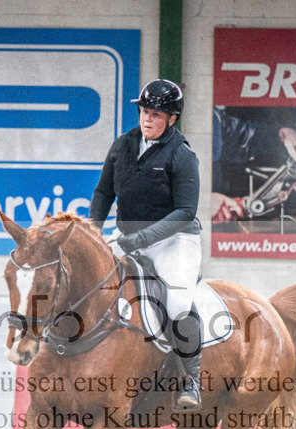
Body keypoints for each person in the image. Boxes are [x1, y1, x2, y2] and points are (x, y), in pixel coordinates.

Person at [89, 78, 203, 410]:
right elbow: (103, 192)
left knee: (178, 302)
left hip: (175, 240)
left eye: (155, 115)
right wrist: (94, 230)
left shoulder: (181, 154)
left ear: (172, 119)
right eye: (144, 112)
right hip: (129, 237)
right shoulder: (122, 145)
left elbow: (185, 211)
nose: (147, 120)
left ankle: (192, 379)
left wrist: (140, 239)